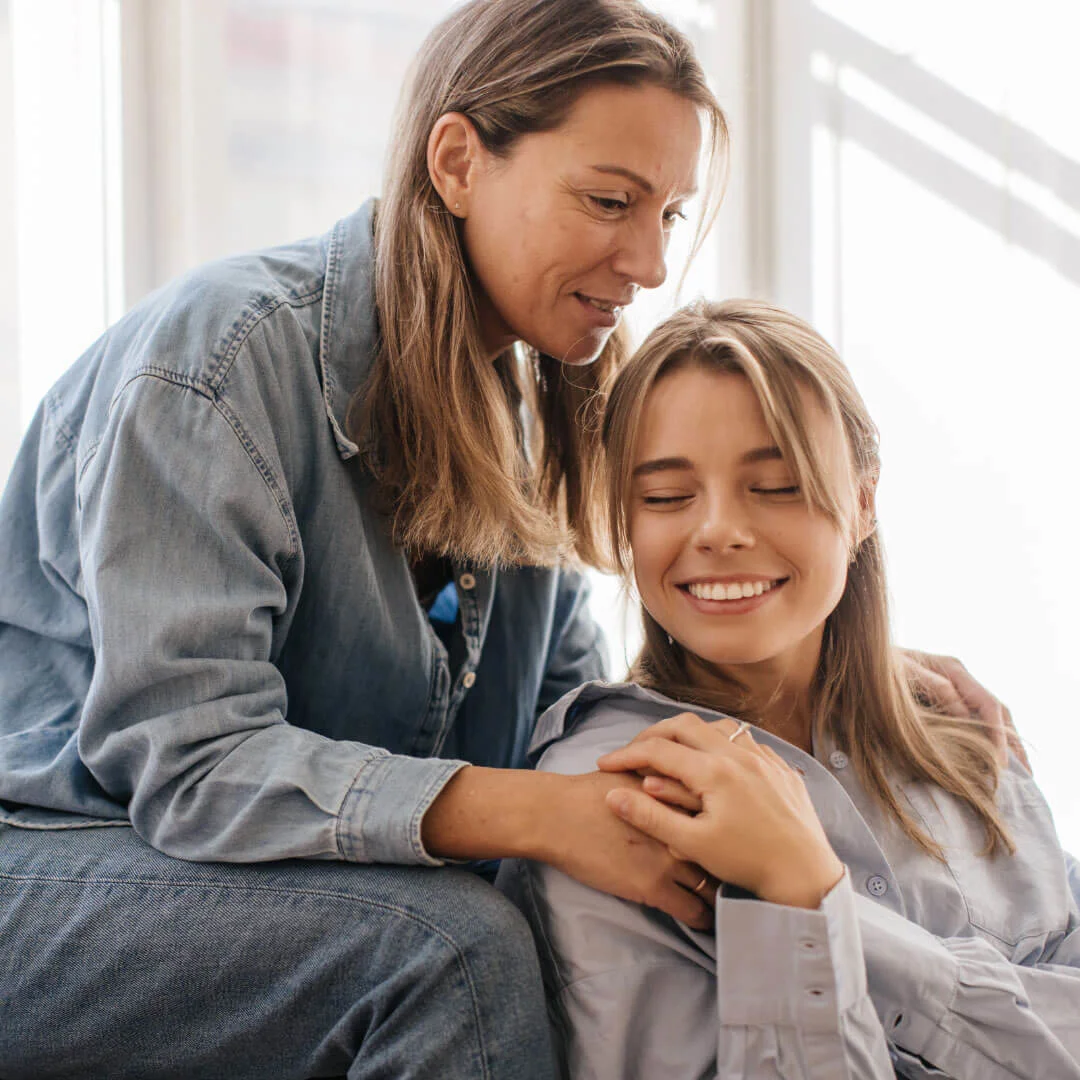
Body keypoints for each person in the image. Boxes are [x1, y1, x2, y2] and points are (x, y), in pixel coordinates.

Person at [0, 4, 725, 1077]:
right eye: (610, 201)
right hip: (55, 861)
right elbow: (190, 765)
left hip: (222, 876)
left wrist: (848, 690)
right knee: (450, 953)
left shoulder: (516, 411)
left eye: (669, 213)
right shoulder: (222, 362)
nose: (652, 264)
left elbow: (571, 724)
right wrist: (539, 815)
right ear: (459, 160)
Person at [500, 299, 1080, 1079]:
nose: (717, 531)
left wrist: (824, 903)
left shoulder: (964, 740)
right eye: (666, 498)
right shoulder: (616, 798)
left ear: (864, 503)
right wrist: (804, 910)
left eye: (774, 485)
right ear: (627, 526)